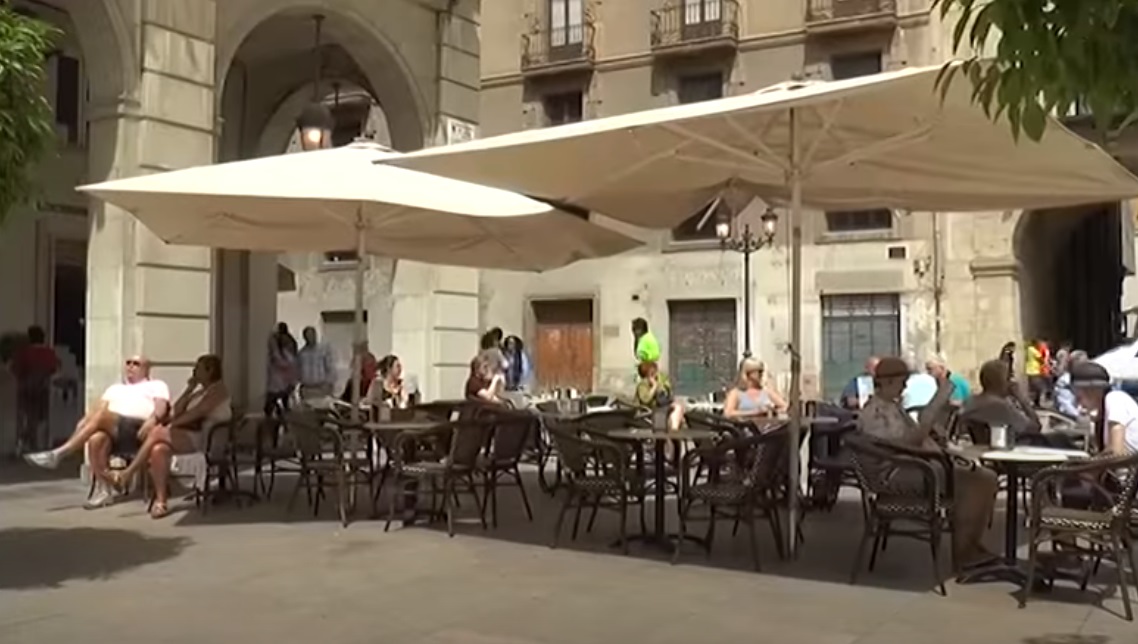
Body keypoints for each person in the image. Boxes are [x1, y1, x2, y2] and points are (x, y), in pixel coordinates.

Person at [857, 356, 999, 570]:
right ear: (886, 383)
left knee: (981, 478)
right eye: (901, 382)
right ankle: (965, 551)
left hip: (912, 467)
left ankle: (970, 546)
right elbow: (903, 445)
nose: (904, 387)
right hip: (897, 475)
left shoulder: (891, 407)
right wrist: (930, 415)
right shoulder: (875, 412)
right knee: (977, 481)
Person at [24, 356, 171, 503]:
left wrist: (153, 419)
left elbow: (161, 408)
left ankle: (60, 454)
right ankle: (105, 490)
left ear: (146, 369)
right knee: (96, 439)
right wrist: (84, 424)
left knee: (101, 416)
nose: (131, 366)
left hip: (139, 429)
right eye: (128, 363)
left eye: (136, 364)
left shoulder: (156, 385)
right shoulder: (114, 388)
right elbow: (97, 410)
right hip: (114, 432)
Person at [109, 355, 231, 518]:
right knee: (159, 449)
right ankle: (161, 502)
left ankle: (129, 473)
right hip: (188, 434)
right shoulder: (200, 391)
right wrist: (189, 390)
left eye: (198, 368)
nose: (194, 371)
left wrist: (171, 426)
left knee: (157, 432)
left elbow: (198, 412)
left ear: (210, 371)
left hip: (207, 439)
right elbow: (175, 411)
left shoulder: (218, 390)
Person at [958, 359, 1041, 438]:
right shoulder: (1001, 407)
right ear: (1003, 381)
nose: (1013, 382)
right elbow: (1035, 427)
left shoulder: (970, 401)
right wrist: (1022, 399)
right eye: (1010, 378)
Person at [1069, 361, 1138, 456]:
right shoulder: (1101, 415)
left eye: (1079, 397)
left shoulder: (1115, 399)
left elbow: (1116, 451)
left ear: (1092, 391)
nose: (1078, 404)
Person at [10, 325, 60, 453]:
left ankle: (25, 442)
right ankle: (36, 443)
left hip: (25, 387)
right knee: (40, 417)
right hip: (43, 388)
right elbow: (55, 368)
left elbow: (15, 369)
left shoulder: (24, 353)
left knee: (25, 416)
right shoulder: (49, 353)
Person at [634, 360, 684, 431]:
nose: (657, 374)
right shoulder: (642, 385)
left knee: (678, 408)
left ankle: (674, 430)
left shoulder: (658, 382)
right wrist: (654, 387)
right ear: (649, 374)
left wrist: (664, 385)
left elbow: (665, 395)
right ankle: (674, 430)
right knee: (677, 408)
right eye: (654, 373)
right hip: (649, 411)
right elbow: (645, 400)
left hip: (660, 409)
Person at [265, 323, 298, 415]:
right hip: (285, 376)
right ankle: (281, 415)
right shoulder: (290, 340)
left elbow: (279, 359)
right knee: (283, 399)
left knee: (272, 399)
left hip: (279, 376)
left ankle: (274, 417)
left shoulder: (277, 340)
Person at [296, 326, 337, 400]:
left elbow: (330, 367)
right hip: (307, 389)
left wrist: (330, 384)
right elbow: (297, 371)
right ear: (304, 337)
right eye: (308, 336)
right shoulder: (301, 353)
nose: (310, 337)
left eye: (312, 335)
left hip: (321, 388)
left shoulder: (323, 350)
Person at [1053, 350, 1089, 418]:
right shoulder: (1064, 381)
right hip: (1068, 420)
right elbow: (1065, 405)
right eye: (1081, 364)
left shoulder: (1086, 379)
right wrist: (1079, 416)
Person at [1024, 338, 1048, 406]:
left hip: (1032, 370)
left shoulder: (1029, 349)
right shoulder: (1033, 350)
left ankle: (1035, 402)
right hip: (1034, 371)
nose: (1040, 345)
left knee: (1035, 387)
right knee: (1038, 387)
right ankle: (1035, 402)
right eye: (1039, 343)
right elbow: (1041, 359)